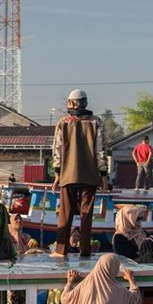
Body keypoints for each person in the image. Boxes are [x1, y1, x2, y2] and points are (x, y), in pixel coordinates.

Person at [51, 89, 108, 258]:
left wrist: (57, 174)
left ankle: (61, 251)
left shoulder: (64, 122)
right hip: (90, 176)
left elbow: (57, 150)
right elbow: (101, 151)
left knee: (65, 215)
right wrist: (103, 175)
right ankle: (85, 252)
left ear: (72, 103)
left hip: (68, 175)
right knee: (86, 216)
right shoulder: (96, 122)